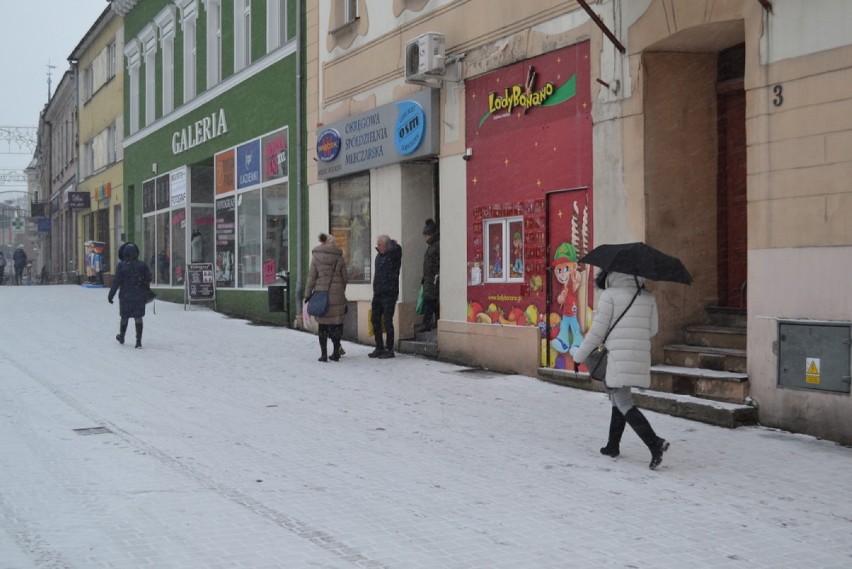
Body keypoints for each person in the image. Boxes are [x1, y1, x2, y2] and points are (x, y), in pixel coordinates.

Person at [572, 270, 670, 470]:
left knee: (624, 402)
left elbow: (597, 332)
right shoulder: (648, 297)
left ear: (612, 274)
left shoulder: (610, 296)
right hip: (639, 355)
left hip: (617, 355)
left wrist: (579, 356)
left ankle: (655, 443)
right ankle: (612, 445)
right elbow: (653, 330)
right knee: (618, 399)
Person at [304, 233, 348, 362]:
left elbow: (311, 278)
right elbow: (345, 277)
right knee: (336, 324)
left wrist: (307, 295)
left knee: (322, 325)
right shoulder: (339, 257)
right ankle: (336, 352)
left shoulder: (316, 257)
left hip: (321, 294)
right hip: (337, 294)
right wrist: (340, 289)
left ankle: (323, 354)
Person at [107, 242, 153, 349]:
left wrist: (111, 295)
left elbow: (116, 281)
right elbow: (148, 278)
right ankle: (138, 341)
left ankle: (122, 336)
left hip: (125, 295)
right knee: (138, 317)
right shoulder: (142, 265)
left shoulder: (121, 266)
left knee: (124, 317)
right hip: (139, 295)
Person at [369, 234, 402, 359]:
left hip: (389, 293)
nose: (378, 247)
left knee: (387, 321)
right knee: (375, 319)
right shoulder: (379, 256)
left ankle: (389, 349)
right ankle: (379, 347)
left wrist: (392, 244)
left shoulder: (393, 255)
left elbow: (397, 250)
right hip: (378, 293)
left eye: (380, 244)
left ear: (387, 245)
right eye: (377, 244)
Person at [417, 218, 440, 332]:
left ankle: (427, 323)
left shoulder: (435, 247)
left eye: (426, 235)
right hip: (429, 280)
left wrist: (435, 277)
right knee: (431, 303)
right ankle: (431, 322)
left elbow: (436, 265)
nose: (425, 238)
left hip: (433, 281)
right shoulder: (431, 247)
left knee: (430, 303)